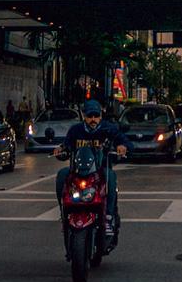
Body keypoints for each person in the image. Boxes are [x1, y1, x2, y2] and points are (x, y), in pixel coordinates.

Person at [55, 98, 128, 231]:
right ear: (84, 116)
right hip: (78, 172)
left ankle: (109, 216)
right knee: (62, 174)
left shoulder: (109, 129)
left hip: (100, 171)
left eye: (96, 115)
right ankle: (64, 212)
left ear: (101, 115)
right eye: (90, 116)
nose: (93, 119)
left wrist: (122, 146)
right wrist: (60, 150)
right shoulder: (75, 130)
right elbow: (66, 146)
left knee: (110, 176)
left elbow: (124, 141)